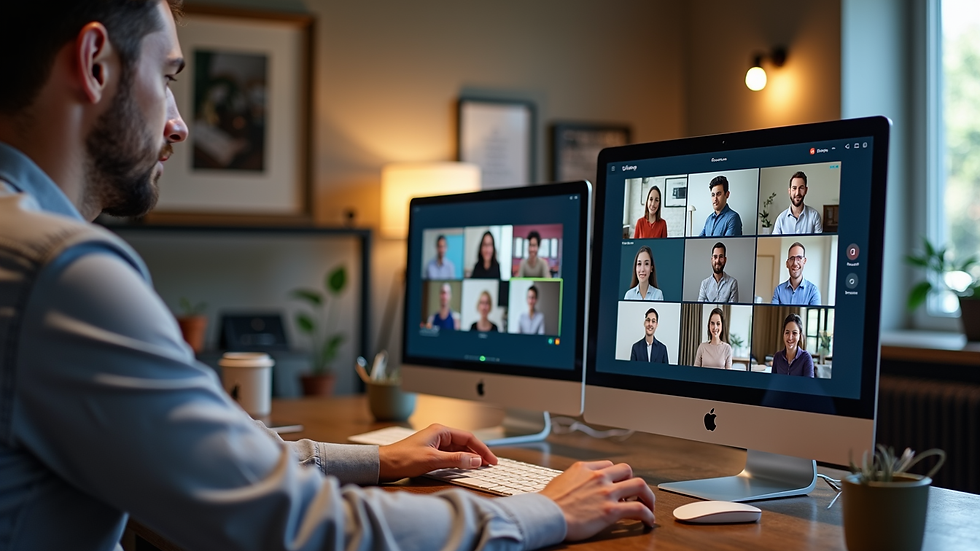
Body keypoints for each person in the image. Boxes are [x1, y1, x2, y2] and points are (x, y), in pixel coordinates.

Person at [0, 3, 656, 549]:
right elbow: (308, 528)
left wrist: (380, 457)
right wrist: (545, 511)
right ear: (94, 63)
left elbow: (219, 461)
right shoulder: (61, 274)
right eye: (168, 77)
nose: (178, 122)